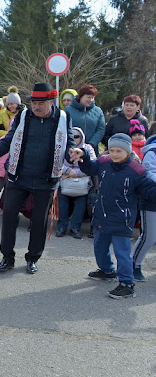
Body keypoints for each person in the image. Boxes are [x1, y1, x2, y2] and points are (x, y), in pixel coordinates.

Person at [0, 82, 76, 274]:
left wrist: (76, 152)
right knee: (9, 216)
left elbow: (69, 143)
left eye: (41, 103)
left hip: (46, 180)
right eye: (34, 103)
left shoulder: (63, 118)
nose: (36, 107)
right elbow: (7, 142)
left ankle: (32, 258)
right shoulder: (23, 116)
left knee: (39, 222)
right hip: (18, 177)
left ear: (51, 102)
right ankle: (7, 257)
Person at [71, 133, 156, 298]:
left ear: (128, 151)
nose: (115, 154)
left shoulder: (137, 171)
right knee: (99, 247)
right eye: (112, 150)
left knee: (121, 253)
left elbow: (148, 191)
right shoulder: (103, 162)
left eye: (119, 151)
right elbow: (89, 167)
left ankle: (127, 283)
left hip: (122, 220)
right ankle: (107, 270)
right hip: (102, 215)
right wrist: (84, 155)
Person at [56, 127, 96, 239]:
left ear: (82, 137)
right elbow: (56, 162)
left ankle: (75, 228)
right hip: (64, 180)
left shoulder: (88, 148)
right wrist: (67, 171)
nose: (74, 139)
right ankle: (61, 227)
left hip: (82, 181)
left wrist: (75, 173)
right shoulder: (62, 147)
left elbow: (92, 164)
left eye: (77, 136)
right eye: (71, 136)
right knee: (62, 202)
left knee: (81, 203)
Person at [132, 134, 156, 282]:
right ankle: (134, 265)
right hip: (151, 199)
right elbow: (148, 175)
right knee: (149, 237)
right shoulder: (152, 151)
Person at [64, 84, 105, 154]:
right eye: (88, 97)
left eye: (93, 97)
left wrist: (91, 145)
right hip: (72, 149)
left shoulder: (98, 111)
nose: (91, 100)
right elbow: (65, 128)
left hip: (91, 150)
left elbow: (100, 129)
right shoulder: (68, 110)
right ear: (81, 96)